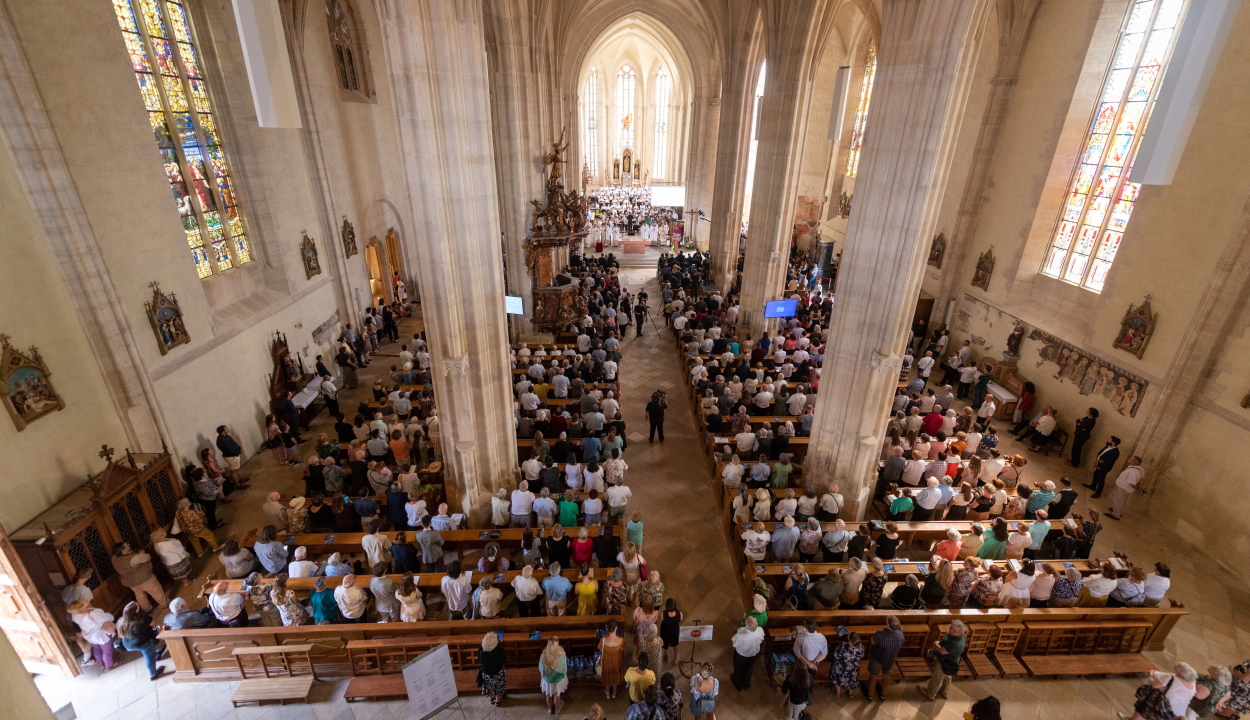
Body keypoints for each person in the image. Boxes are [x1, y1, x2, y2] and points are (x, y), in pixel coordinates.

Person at [1120, 662, 1202, 720]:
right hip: (1175, 709)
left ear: (1182, 673)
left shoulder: (1172, 678)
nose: (1175, 670)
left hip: (1161, 703)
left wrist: (1151, 675)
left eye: (1177, 670)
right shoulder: (1193, 683)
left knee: (1142, 707)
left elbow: (1154, 684)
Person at [110, 542, 168, 612]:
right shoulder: (133, 558)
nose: (129, 544)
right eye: (127, 545)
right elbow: (148, 557)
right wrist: (139, 552)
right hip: (145, 579)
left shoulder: (114, 558)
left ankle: (147, 609)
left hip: (131, 582)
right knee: (156, 591)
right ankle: (164, 604)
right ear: (123, 551)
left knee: (140, 596)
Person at [919, 619, 965, 701]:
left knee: (937, 678)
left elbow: (942, 651)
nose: (951, 631)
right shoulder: (962, 635)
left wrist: (935, 643)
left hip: (944, 662)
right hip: (952, 662)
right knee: (947, 676)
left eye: (955, 631)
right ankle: (944, 692)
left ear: (960, 632)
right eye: (951, 628)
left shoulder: (955, 644)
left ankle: (930, 694)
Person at [68, 598, 116, 670]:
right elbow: (109, 618)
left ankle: (102, 664)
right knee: (106, 650)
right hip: (100, 634)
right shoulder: (93, 614)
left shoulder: (74, 615)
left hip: (89, 635)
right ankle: (109, 666)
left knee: (97, 649)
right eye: (84, 601)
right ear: (81, 608)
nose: (86, 600)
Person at [867, 615, 906, 701]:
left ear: (888, 624)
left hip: (878, 657)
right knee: (887, 675)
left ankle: (870, 694)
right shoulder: (900, 634)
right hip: (890, 659)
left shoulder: (880, 633)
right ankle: (883, 695)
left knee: (873, 675)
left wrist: (871, 638)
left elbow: (872, 642)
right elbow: (901, 642)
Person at [730, 615, 764, 691]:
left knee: (739, 670)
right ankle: (746, 684)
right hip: (753, 654)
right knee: (749, 669)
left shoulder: (741, 633)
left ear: (747, 627)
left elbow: (734, 643)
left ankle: (738, 685)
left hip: (741, 655)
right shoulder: (760, 630)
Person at [830, 631, 865, 697]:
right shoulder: (861, 647)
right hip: (854, 669)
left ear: (850, 641)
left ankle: (838, 693)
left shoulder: (843, 646)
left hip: (842, 669)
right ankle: (851, 694)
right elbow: (862, 656)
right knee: (852, 679)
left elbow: (836, 655)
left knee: (837, 676)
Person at [1108, 455, 1144, 520]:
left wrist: (1138, 489)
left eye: (1131, 459)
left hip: (1124, 488)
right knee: (1118, 500)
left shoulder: (1134, 471)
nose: (1129, 459)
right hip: (1123, 486)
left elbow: (1132, 483)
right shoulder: (1134, 467)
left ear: (1134, 462)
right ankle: (1116, 509)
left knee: (1119, 501)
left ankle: (1116, 515)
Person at [539, 637, 569, 714]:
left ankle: (550, 709)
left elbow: (541, 668)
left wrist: (546, 674)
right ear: (557, 644)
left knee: (548, 694)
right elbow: (564, 668)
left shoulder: (543, 654)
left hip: (547, 679)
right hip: (558, 679)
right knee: (557, 694)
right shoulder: (562, 654)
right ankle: (557, 709)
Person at [479, 632, 507, 706]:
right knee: (498, 685)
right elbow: (504, 660)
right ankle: (498, 699)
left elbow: (480, 661)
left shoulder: (481, 650)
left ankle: (491, 698)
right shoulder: (500, 651)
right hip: (497, 673)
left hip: (486, 673)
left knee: (488, 685)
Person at [600, 618, 626, 699]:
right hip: (616, 660)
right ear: (616, 628)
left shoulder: (603, 640)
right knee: (615, 674)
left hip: (607, 661)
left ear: (607, 628)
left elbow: (601, 649)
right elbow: (622, 650)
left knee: (607, 673)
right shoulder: (621, 640)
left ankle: (607, 692)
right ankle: (614, 692)